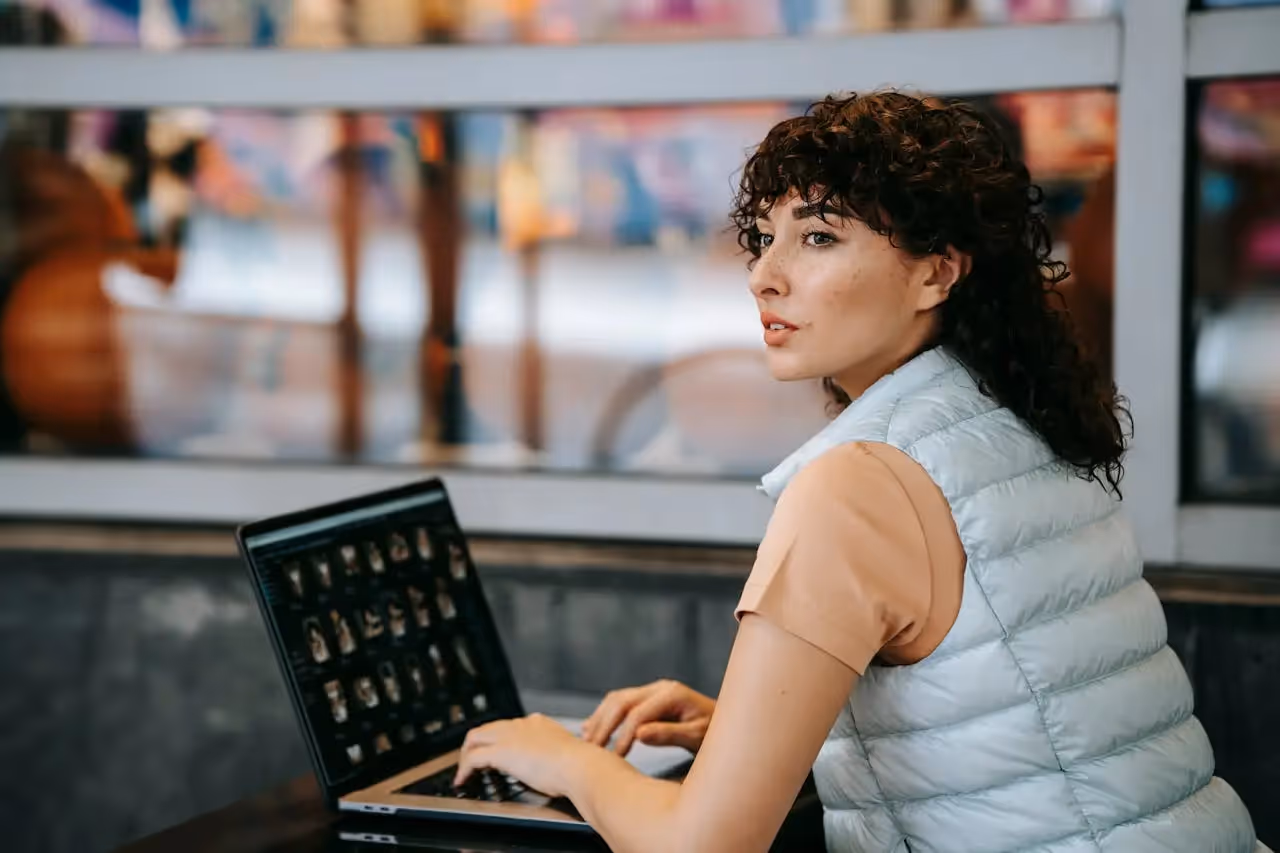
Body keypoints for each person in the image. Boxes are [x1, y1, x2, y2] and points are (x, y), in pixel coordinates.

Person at [453, 92, 1265, 853]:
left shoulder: (856, 483)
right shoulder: (1018, 423)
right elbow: (1027, 711)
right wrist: (759, 730)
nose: (765, 276)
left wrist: (562, 759)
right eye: (764, 237)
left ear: (937, 272)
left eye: (819, 236)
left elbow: (703, 843)